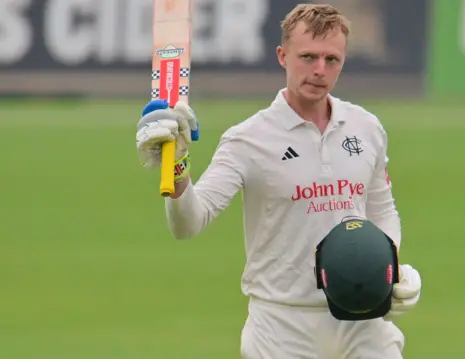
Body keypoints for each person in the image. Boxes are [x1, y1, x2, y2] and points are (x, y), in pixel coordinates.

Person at [136, 4, 422, 359]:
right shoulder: (248, 139)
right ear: (282, 56)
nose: (319, 70)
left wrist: (389, 267)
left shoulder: (367, 128)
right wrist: (177, 167)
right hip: (282, 326)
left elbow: (382, 211)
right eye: (308, 57)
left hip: (363, 319)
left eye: (331, 60)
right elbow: (189, 223)